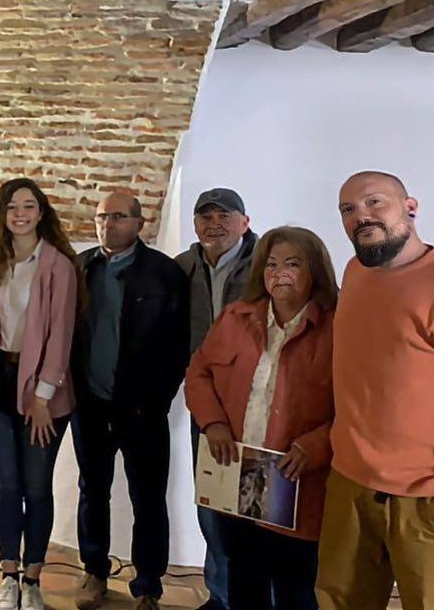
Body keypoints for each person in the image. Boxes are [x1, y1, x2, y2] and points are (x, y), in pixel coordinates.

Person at [185, 226, 338, 610]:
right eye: (270, 264)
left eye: (292, 264)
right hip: (239, 472)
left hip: (297, 479)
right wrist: (214, 423)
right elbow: (198, 373)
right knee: (243, 580)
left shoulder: (340, 326)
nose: (279, 272)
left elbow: (360, 406)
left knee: (295, 588)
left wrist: (317, 445)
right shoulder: (236, 317)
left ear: (314, 271)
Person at [316, 171, 434, 610]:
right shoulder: (354, 272)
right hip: (349, 483)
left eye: (374, 203)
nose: (361, 216)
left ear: (410, 206)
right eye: (348, 209)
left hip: (423, 496)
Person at [72, 191, 189, 610]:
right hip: (90, 404)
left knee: (148, 497)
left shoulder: (164, 274)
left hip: (143, 408)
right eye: (102, 216)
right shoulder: (80, 267)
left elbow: (179, 347)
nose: (107, 224)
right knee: (92, 490)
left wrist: (156, 400)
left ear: (140, 224)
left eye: (118, 217)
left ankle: (148, 586)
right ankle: (94, 571)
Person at [0, 178, 81, 610]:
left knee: (36, 487)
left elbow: (61, 337)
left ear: (41, 214)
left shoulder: (58, 266)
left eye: (28, 206)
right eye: (11, 206)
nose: (19, 214)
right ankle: (8, 577)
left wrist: (40, 398)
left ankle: (33, 580)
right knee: (8, 484)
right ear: (1, 214)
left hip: (45, 392)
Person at [175, 187, 255, 610]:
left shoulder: (269, 263)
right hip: (205, 404)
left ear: (245, 222)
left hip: (259, 405)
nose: (215, 223)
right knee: (212, 502)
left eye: (225, 215)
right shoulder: (183, 267)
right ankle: (220, 595)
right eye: (205, 216)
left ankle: (258, 595)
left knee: (258, 508)